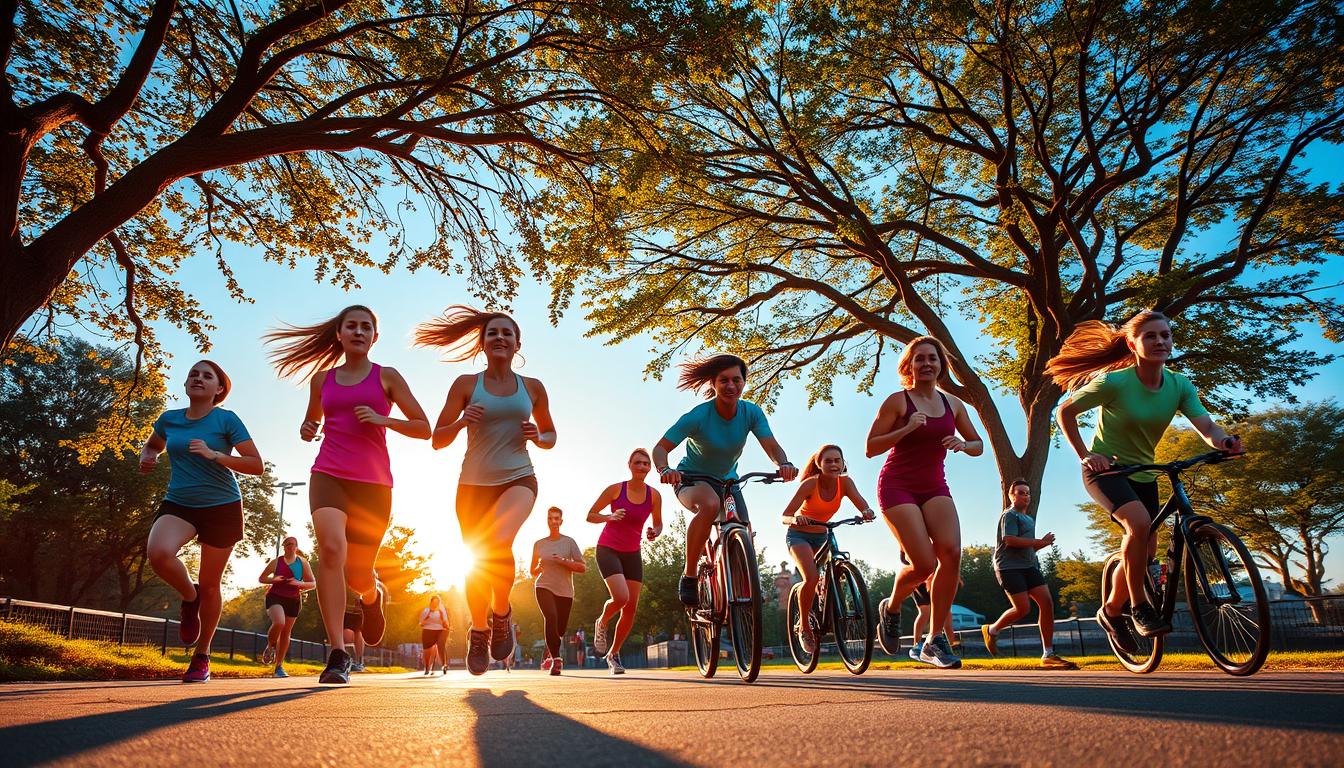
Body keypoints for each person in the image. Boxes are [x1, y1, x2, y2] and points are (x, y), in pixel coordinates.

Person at [1049, 310, 1243, 650]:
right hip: (1105, 470)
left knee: (1147, 547)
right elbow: (1065, 411)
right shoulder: (1115, 382)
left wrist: (1224, 442)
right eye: (1151, 336)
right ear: (1132, 343)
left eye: (1165, 335)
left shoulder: (1179, 385)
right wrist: (1085, 454)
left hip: (1145, 472)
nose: (1160, 341)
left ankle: (1111, 609)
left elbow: (1208, 428)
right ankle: (1139, 606)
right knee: (1138, 525)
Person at [265, 304, 431, 684]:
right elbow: (313, 421)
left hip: (373, 483)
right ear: (338, 334)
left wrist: (384, 418)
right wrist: (308, 429)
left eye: (366, 327)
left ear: (375, 336)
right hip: (329, 474)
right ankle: (338, 652)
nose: (358, 331)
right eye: (351, 326)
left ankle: (372, 597)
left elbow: (424, 427)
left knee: (358, 574)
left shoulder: (387, 377)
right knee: (331, 550)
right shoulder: (322, 380)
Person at [417, 306, 557, 676]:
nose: (499, 338)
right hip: (472, 486)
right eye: (492, 333)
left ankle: (501, 613)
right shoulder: (466, 384)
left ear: (517, 344)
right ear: (482, 344)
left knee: (498, 539)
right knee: (478, 558)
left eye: (506, 334)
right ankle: (479, 629)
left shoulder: (533, 387)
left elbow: (551, 435)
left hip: (519, 478)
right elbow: (437, 439)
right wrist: (463, 420)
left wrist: (538, 437)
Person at [139, 360, 264, 683]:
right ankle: (188, 597)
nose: (198, 378)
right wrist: (148, 455)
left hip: (222, 507)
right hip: (180, 503)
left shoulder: (226, 419)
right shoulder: (170, 420)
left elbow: (255, 465)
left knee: (211, 584)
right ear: (186, 384)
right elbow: (154, 443)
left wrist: (216, 455)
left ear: (219, 389)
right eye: (193, 373)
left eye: (207, 376)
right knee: (159, 553)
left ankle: (202, 656)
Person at [866, 336, 984, 669]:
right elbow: (871, 447)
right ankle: (890, 608)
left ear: (940, 365)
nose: (926, 363)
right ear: (909, 366)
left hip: (934, 486)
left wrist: (962, 444)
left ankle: (934, 641)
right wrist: (905, 429)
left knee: (952, 553)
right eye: (919, 359)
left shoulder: (953, 405)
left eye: (932, 358)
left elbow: (978, 445)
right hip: (897, 486)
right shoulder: (897, 401)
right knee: (924, 565)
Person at [653, 354, 798, 607]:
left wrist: (783, 464)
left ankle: (745, 583)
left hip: (727, 483)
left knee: (744, 530)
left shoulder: (751, 412)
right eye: (724, 381)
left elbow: (772, 446)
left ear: (744, 382)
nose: (731, 386)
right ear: (714, 384)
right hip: (690, 479)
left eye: (736, 380)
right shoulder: (698, 416)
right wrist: (665, 469)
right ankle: (689, 576)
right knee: (709, 504)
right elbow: (660, 448)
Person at [778, 445, 874, 654]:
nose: (833, 464)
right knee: (810, 578)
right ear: (819, 465)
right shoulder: (810, 484)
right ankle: (804, 626)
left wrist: (866, 512)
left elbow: (862, 504)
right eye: (828, 461)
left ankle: (828, 606)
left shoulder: (845, 483)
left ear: (842, 463)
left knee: (834, 571)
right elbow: (785, 515)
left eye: (837, 460)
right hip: (799, 535)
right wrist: (796, 518)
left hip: (823, 535)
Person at [981, 480, 1078, 669]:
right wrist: (1037, 541)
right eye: (1020, 493)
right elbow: (1009, 541)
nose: (1025, 496)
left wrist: (1042, 544)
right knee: (1023, 609)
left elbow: (1028, 548)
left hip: (1029, 565)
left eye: (1027, 493)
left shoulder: (1029, 519)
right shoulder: (1009, 516)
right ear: (1011, 496)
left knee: (1047, 603)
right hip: (1008, 567)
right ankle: (992, 629)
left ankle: (1048, 654)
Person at [588, 449, 664, 675]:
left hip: (633, 552)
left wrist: (654, 532)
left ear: (649, 468)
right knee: (621, 597)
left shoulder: (654, 495)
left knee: (630, 608)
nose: (642, 466)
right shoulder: (615, 489)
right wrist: (608, 517)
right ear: (629, 465)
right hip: (608, 549)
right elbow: (590, 515)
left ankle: (613, 655)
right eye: (638, 462)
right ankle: (602, 622)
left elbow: (658, 523)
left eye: (646, 464)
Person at [530, 506, 584, 676]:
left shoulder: (569, 542)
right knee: (550, 617)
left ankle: (550, 648)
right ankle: (556, 659)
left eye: (556, 518)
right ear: (547, 521)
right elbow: (533, 570)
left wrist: (562, 562)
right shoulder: (539, 544)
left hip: (565, 591)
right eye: (550, 518)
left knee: (559, 630)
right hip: (543, 586)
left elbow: (582, 567)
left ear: (561, 521)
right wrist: (538, 568)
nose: (553, 521)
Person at [258, 536, 316, 677]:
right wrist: (274, 579)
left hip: (293, 600)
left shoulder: (303, 563)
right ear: (284, 546)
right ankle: (271, 645)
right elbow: (261, 578)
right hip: (275, 596)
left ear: (297, 547)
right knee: (279, 622)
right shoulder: (276, 562)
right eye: (287, 544)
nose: (290, 546)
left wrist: (299, 584)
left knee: (286, 633)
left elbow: (313, 584)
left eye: (293, 544)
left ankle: (279, 666)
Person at [419, 594, 449, 675]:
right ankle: (427, 667)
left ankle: (444, 665)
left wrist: (445, 624)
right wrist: (427, 616)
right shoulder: (426, 610)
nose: (435, 604)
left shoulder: (442, 610)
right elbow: (421, 622)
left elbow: (446, 621)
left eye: (437, 602)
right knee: (427, 651)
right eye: (434, 602)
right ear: (431, 602)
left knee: (441, 645)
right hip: (428, 630)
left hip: (440, 630)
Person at [343, 602, 366, 672]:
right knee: (346, 632)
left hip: (356, 606)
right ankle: (350, 660)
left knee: (358, 631)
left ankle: (358, 661)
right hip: (345, 605)